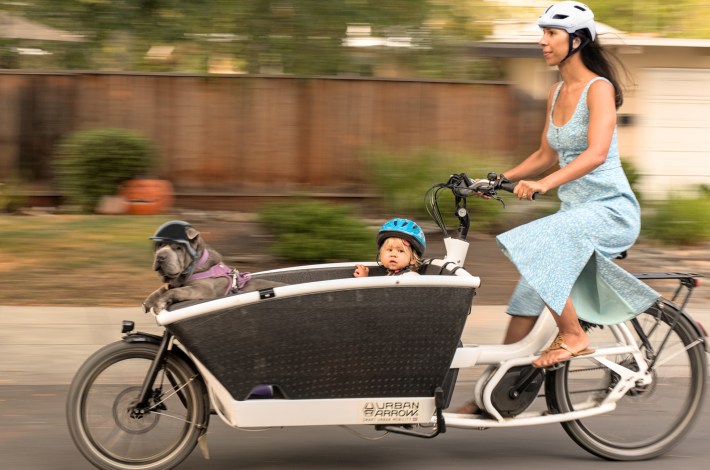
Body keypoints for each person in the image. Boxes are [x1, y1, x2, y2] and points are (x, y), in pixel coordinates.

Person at [486, 2, 661, 371]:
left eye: (551, 34)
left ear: (577, 40)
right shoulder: (556, 93)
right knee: (527, 296)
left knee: (534, 242)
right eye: (543, 33)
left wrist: (544, 184)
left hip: (609, 210)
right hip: (574, 214)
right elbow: (544, 154)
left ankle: (574, 335)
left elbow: (596, 154)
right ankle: (497, 388)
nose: (542, 42)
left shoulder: (599, 89)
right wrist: (499, 179)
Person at [354, 218, 426, 277]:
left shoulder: (410, 277)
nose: (393, 254)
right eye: (389, 250)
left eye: (400, 251)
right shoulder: (390, 274)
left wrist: (363, 280)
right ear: (380, 254)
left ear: (413, 259)